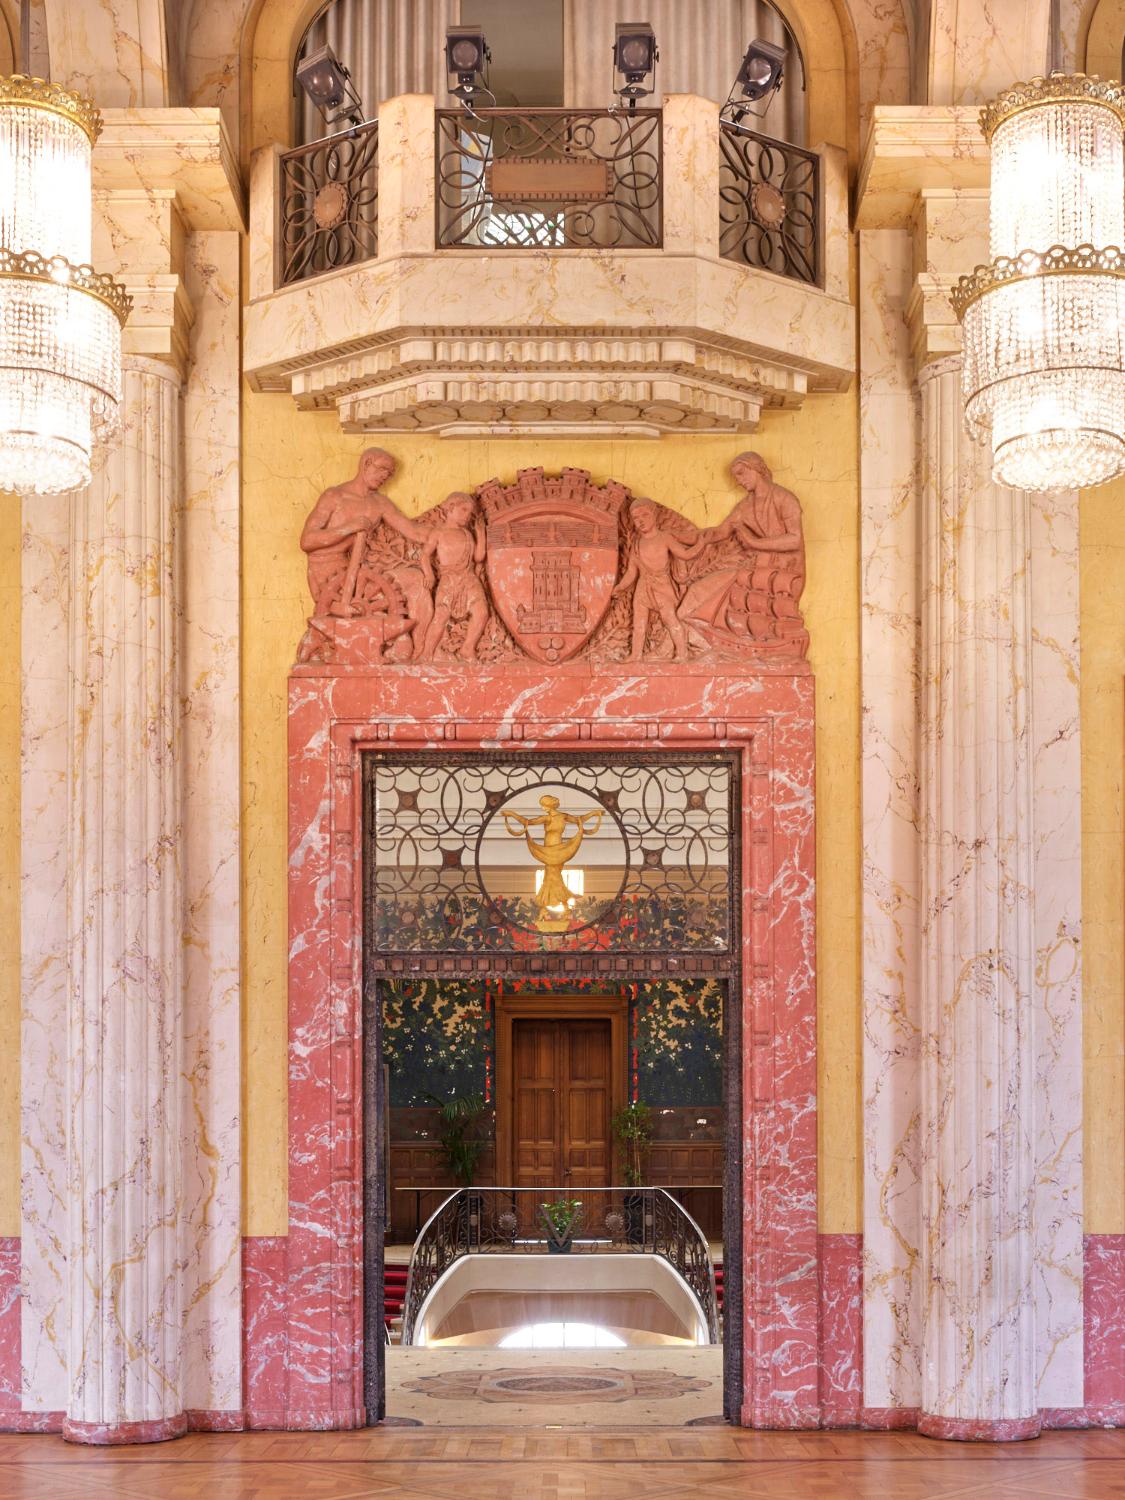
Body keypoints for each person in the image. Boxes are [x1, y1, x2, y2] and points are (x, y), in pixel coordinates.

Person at [298, 447, 434, 656]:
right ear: (366, 463)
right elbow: (307, 541)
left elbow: (413, 531)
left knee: (416, 580)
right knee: (377, 605)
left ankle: (424, 651)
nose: (384, 477)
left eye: (389, 474)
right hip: (328, 578)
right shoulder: (335, 496)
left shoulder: (379, 503)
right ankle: (394, 642)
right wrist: (348, 527)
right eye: (382, 470)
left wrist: (447, 534)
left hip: (356, 574)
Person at [676, 452, 805, 650]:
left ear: (757, 469)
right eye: (736, 477)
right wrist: (676, 537)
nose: (739, 480)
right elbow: (720, 532)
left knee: (740, 599)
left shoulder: (784, 499)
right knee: (699, 590)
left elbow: (795, 539)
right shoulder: (746, 506)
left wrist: (754, 543)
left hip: (784, 573)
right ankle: (701, 637)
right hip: (758, 568)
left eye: (742, 474)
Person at [612, 498, 705, 662]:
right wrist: (621, 586)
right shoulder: (636, 544)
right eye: (636, 518)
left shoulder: (665, 538)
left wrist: (701, 543)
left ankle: (682, 652)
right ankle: (636, 654)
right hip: (643, 587)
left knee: (670, 619)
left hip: (662, 586)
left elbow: (685, 554)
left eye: (645, 515)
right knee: (639, 624)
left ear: (655, 515)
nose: (640, 520)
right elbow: (632, 571)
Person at [418, 492, 490, 661]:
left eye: (469, 512)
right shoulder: (439, 533)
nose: (467, 515)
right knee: (441, 616)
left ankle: (467, 648)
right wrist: (429, 574)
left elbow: (478, 558)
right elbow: (424, 556)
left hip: (469, 579)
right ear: (450, 508)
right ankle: (427, 653)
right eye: (463, 509)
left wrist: (481, 535)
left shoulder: (467, 534)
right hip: (449, 580)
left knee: (482, 612)